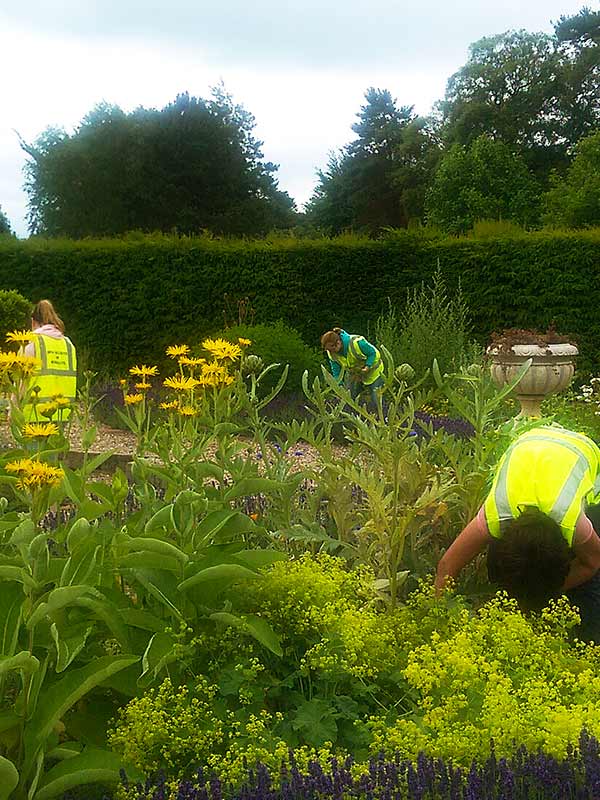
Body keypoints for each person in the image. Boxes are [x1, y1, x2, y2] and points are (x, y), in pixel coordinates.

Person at [435, 425, 600, 641]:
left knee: (591, 587)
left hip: (584, 452)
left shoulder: (571, 519)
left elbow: (593, 561)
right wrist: (438, 620)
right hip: (531, 442)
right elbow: (447, 567)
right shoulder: (497, 511)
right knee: (498, 565)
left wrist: (546, 594)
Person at [22, 299, 77, 422]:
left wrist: (13, 408)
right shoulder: (68, 345)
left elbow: (21, 381)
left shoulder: (33, 343)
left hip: (35, 414)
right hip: (63, 413)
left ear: (33, 322)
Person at [321, 327, 385, 411]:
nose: (330, 352)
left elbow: (372, 353)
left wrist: (367, 366)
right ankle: (353, 418)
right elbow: (336, 371)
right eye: (328, 350)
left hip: (374, 372)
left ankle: (382, 418)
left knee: (376, 400)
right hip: (355, 374)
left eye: (331, 349)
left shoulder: (357, 343)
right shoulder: (331, 353)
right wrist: (339, 385)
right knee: (348, 398)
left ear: (338, 343)